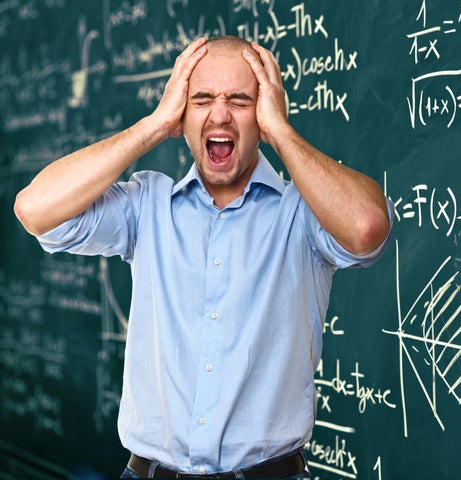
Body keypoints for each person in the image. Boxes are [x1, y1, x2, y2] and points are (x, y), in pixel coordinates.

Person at [14, 36, 392, 478]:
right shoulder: (146, 206)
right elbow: (34, 209)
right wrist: (153, 125)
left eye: (240, 100)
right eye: (202, 99)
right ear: (182, 112)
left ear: (263, 114)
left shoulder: (302, 215)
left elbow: (368, 226)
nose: (219, 114)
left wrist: (283, 132)